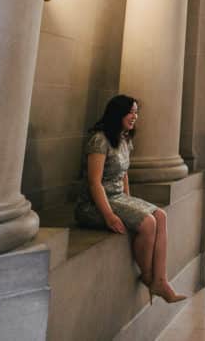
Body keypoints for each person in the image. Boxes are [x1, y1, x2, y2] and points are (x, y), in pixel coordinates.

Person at [75, 94, 186, 304]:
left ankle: (161, 280)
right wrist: (108, 216)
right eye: (130, 112)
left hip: (117, 197)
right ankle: (148, 276)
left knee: (160, 215)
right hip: (94, 204)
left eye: (136, 112)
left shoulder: (125, 138)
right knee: (148, 223)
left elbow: (124, 173)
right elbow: (94, 183)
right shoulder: (99, 140)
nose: (134, 116)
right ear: (117, 113)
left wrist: (130, 201)